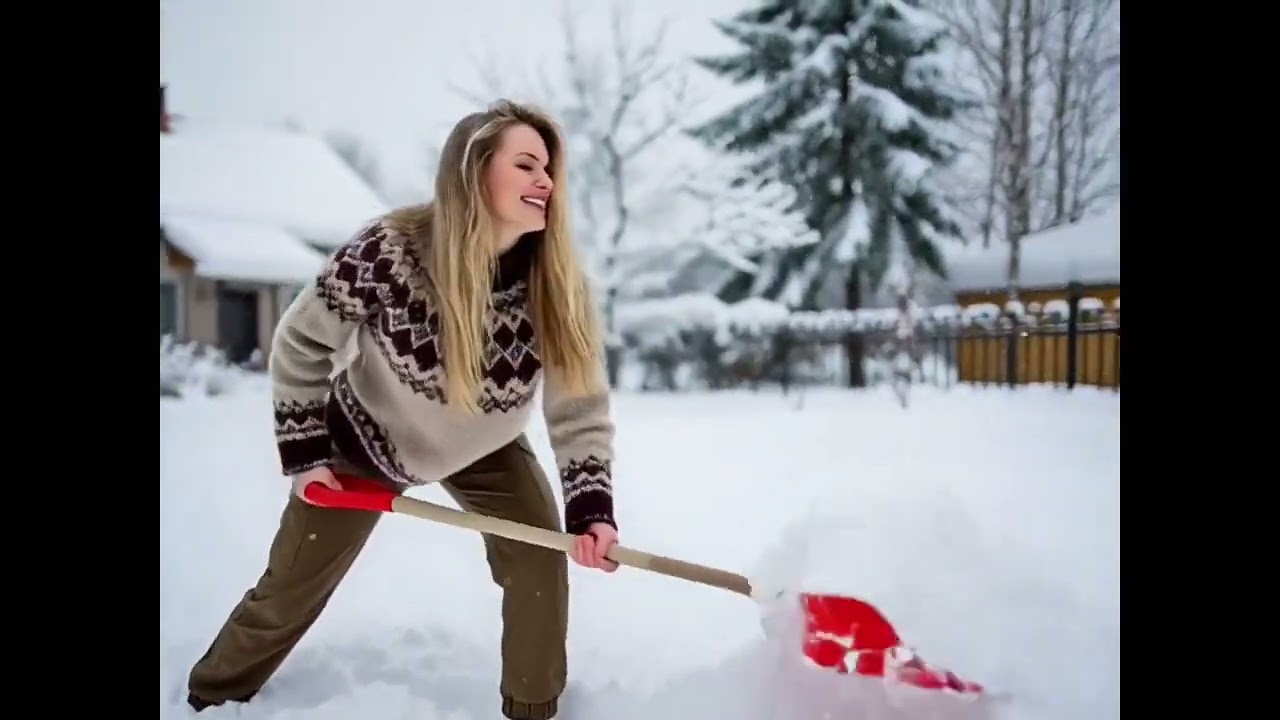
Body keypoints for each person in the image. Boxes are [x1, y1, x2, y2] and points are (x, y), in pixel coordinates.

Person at [184, 99, 620, 720]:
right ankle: (210, 697)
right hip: (365, 436)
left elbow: (580, 406)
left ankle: (533, 708)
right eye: (526, 164)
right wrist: (306, 456)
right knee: (289, 590)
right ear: (475, 171)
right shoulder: (391, 250)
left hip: (485, 444)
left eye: (548, 168)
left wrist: (590, 508)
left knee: (538, 560)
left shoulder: (554, 284)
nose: (545, 180)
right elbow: (302, 342)